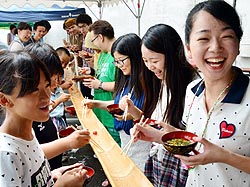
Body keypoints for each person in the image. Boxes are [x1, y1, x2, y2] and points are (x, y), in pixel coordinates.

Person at [132, 1, 250, 186]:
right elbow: (194, 139)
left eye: (226, 36)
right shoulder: (192, 91)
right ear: (188, 48)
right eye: (204, 39)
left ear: (238, 43)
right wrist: (160, 136)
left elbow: (214, 150)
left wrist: (224, 156)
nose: (215, 48)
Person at [119, 24, 198, 186]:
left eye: (154, 60)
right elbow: (157, 124)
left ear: (172, 55)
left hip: (181, 165)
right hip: (159, 157)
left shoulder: (193, 86)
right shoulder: (159, 81)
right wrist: (134, 112)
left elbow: (192, 139)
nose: (149, 66)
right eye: (145, 61)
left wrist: (159, 136)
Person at [0, 50, 87, 186]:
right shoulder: (5, 153)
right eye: (33, 90)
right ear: (5, 99)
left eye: (47, 85)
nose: (46, 96)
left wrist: (52, 175)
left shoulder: (27, 132)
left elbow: (31, 167)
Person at [84, 33, 151, 171]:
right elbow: (117, 104)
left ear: (135, 57)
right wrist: (95, 103)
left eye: (121, 60)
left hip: (142, 144)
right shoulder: (126, 79)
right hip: (125, 139)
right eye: (116, 61)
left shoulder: (149, 83)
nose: (118, 65)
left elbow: (150, 119)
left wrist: (131, 114)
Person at [83, 20, 120, 145]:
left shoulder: (118, 55)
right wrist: (92, 72)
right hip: (102, 111)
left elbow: (122, 86)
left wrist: (99, 85)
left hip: (112, 115)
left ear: (100, 37)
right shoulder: (104, 54)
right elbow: (103, 76)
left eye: (93, 41)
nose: (95, 45)